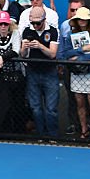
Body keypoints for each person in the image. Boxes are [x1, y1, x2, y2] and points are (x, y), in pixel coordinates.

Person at [59, 6, 90, 138]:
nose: (82, 21)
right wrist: (83, 49)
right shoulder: (71, 34)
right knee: (80, 103)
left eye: (84, 19)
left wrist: (79, 58)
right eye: (79, 19)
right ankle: (84, 130)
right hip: (76, 73)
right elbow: (66, 53)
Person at [20, 7, 59, 137]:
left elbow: (53, 54)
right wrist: (24, 48)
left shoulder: (53, 31)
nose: (35, 26)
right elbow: (23, 55)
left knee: (51, 109)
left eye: (38, 23)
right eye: (33, 23)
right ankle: (41, 135)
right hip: (33, 72)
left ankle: (53, 135)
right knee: (35, 108)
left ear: (44, 20)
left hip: (50, 73)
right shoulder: (27, 31)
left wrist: (40, 46)